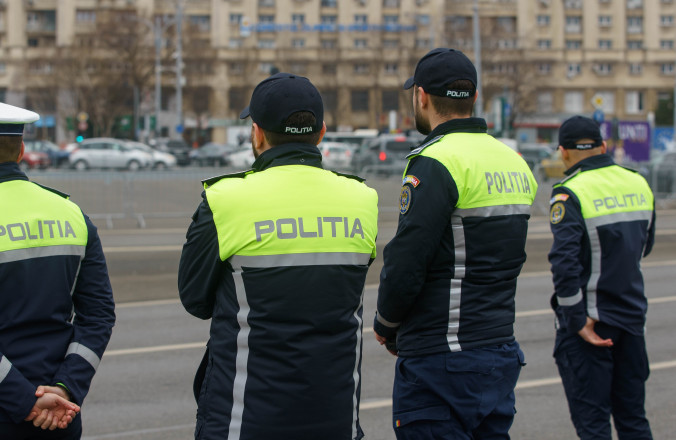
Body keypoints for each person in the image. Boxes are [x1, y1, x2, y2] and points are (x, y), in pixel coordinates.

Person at [178, 72, 378, 440]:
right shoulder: (362, 198)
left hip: (244, 419)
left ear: (257, 133)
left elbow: (194, 298)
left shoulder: (225, 199)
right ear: (321, 134)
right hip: (336, 417)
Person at [0, 96, 116, 439]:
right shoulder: (72, 213)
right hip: (59, 416)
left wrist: (24, 401)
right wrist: (65, 388)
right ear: (21, 150)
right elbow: (98, 316)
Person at [373, 48, 536, 439]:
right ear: (474, 98)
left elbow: (410, 257)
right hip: (498, 349)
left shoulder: (436, 160)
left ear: (422, 97)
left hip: (442, 356)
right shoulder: (512, 160)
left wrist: (386, 322)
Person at [548, 115, 655, 439]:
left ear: (563, 152)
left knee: (593, 425)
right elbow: (644, 246)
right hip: (632, 321)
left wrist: (576, 319)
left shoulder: (569, 193)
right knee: (633, 419)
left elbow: (564, 264)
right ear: (604, 146)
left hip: (591, 325)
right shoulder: (638, 182)